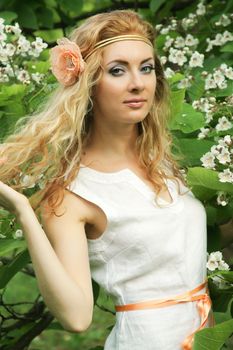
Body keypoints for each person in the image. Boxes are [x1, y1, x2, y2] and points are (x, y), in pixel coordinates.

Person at [0, 9, 214, 350]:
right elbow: (77, 317)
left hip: (205, 334)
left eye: (146, 68)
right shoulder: (73, 195)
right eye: (118, 70)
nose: (137, 83)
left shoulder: (164, 163)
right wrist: (24, 211)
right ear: (89, 83)